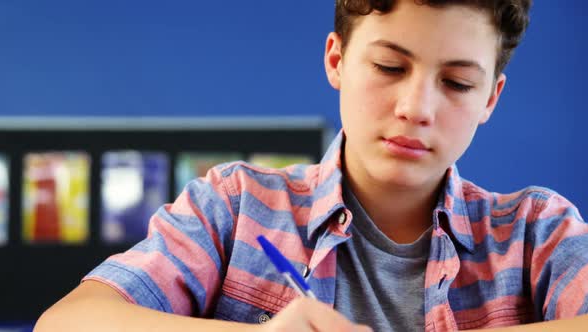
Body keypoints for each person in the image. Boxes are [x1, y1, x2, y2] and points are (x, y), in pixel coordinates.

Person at [35, 0, 588, 331]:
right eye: (390, 66)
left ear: (490, 98)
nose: (416, 109)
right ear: (337, 60)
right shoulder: (235, 205)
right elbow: (67, 323)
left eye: (457, 83)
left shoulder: (537, 231)